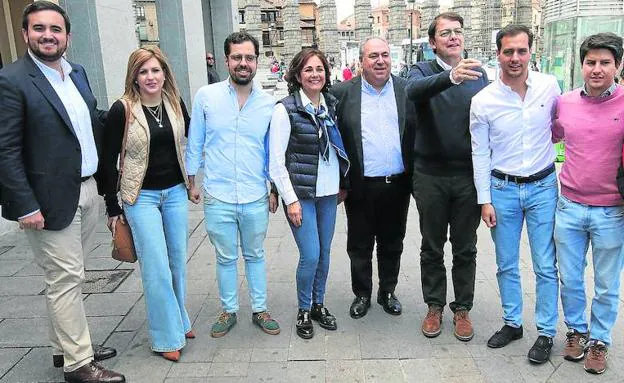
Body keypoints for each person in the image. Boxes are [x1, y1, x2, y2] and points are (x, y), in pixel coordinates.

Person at [0, 2, 125, 382]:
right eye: (39, 28)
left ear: (67, 36)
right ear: (25, 34)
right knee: (66, 278)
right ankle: (78, 363)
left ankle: (65, 348)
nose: (48, 35)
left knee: (68, 277)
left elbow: (91, 124)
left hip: (85, 190)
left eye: (56, 29)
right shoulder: (12, 80)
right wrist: (24, 206)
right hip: (48, 200)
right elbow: (5, 149)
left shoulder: (78, 73)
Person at [470, 24, 561, 364]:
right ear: (498, 54)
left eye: (521, 51)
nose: (515, 58)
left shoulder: (550, 86)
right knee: (506, 263)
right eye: (508, 51)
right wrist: (485, 199)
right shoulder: (483, 101)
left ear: (530, 52)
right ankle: (512, 322)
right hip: (502, 190)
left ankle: (547, 331)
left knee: (545, 265)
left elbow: (560, 124)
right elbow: (479, 153)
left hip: (543, 188)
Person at [101, 46, 193, 362]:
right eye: (143, 72)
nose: (150, 77)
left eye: (155, 70)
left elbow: (191, 142)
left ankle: (180, 320)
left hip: (176, 193)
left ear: (165, 73)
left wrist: (194, 181)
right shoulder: (122, 109)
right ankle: (166, 337)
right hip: (140, 197)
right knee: (156, 266)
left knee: (177, 261)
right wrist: (112, 207)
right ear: (134, 77)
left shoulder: (175, 104)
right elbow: (106, 161)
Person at [186, 32, 280, 338]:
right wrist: (191, 180)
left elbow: (272, 152)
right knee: (225, 257)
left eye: (249, 58)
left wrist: (274, 189)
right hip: (218, 194)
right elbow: (195, 140)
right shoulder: (206, 97)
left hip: (254, 194)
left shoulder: (269, 105)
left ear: (256, 61)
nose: (243, 63)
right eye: (237, 57)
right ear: (227, 60)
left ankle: (260, 308)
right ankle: (228, 310)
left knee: (255, 254)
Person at [407, 11, 488, 342]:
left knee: (466, 247)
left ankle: (462, 308)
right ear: (432, 42)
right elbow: (413, 91)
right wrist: (451, 77)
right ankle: (435, 305)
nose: (453, 37)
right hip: (430, 176)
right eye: (445, 33)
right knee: (431, 245)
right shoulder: (421, 71)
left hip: (468, 177)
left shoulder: (480, 75)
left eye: (457, 32)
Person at [552, 32, 624, 375]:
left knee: (608, 283)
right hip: (569, 206)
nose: (597, 69)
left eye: (605, 63)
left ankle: (600, 341)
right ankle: (577, 332)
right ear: (582, 65)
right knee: (571, 277)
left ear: (618, 65)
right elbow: (549, 136)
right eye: (590, 62)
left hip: (612, 209)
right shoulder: (564, 102)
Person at [330, 37, 415, 320]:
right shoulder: (342, 93)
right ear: (361, 62)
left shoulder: (405, 90)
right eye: (373, 56)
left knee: (393, 242)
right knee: (359, 244)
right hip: (360, 186)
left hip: (397, 184)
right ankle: (362, 293)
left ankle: (387, 291)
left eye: (385, 55)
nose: (380, 61)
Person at [269, 48, 350, 339]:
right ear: (297, 75)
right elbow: (276, 162)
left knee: (325, 254)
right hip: (301, 194)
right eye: (308, 70)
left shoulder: (330, 104)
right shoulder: (285, 109)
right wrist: (289, 199)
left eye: (319, 69)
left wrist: (343, 183)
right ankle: (303, 308)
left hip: (328, 192)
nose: (315, 75)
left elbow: (339, 146)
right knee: (311, 254)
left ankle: (318, 304)